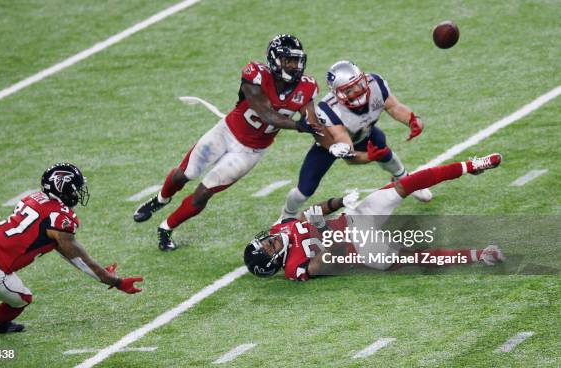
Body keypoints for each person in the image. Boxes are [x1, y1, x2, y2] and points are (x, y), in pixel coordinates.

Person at [133, 34, 324, 251]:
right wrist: (299, 126)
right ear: (273, 60)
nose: (293, 66)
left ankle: (166, 228)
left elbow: (311, 118)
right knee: (184, 173)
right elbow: (266, 114)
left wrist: (322, 131)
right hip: (226, 133)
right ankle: (161, 199)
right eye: (287, 60)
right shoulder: (256, 75)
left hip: (250, 152)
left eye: (296, 60)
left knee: (204, 192)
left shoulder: (306, 87)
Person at [0, 163, 143, 334]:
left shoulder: (33, 198)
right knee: (23, 298)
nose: (77, 193)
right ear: (63, 189)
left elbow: (62, 248)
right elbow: (77, 257)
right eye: (75, 189)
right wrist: (115, 281)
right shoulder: (61, 218)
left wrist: (101, 274)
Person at [245, 153, 505, 280]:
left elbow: (308, 214)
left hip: (355, 218)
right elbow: (332, 259)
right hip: (362, 249)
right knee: (417, 256)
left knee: (407, 183)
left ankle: (471, 166)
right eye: (269, 247)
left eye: (266, 240)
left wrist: (336, 202)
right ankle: (481, 254)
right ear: (273, 262)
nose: (271, 240)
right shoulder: (294, 268)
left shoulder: (281, 229)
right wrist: (323, 228)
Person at [280, 60, 432, 221]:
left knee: (382, 145)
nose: (357, 90)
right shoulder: (329, 109)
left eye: (358, 84)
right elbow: (346, 148)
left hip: (364, 133)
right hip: (332, 146)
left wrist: (413, 120)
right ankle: (287, 215)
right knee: (305, 189)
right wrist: (368, 157)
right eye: (349, 89)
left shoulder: (375, 84)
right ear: (337, 93)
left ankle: (403, 178)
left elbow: (394, 107)